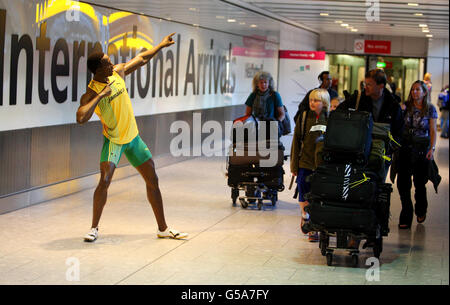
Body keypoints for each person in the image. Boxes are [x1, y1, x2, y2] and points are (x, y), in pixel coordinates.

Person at [76, 33, 188, 242]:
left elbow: (142, 59)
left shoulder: (117, 73)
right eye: (108, 64)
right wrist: (101, 95)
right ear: (98, 70)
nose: (113, 65)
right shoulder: (91, 93)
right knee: (105, 180)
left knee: (152, 179)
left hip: (133, 138)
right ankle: (93, 228)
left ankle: (163, 228)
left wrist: (161, 45)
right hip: (114, 141)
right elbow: (81, 117)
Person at [338, 69, 404, 181]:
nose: (365, 87)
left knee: (378, 186)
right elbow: (338, 114)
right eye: (365, 84)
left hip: (382, 156)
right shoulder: (357, 99)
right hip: (359, 153)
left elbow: (399, 132)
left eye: (369, 84)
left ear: (381, 86)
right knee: (358, 186)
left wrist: (388, 149)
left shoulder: (393, 105)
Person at [397, 80, 438, 229]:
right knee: (403, 183)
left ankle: (421, 209)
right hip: (405, 147)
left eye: (418, 90)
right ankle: (406, 215)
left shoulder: (430, 109)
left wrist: (431, 149)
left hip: (421, 148)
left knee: (420, 183)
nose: (415, 92)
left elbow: (433, 131)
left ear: (424, 92)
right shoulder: (405, 107)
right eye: (413, 89)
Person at [290, 89, 330, 242]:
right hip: (304, 162)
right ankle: (305, 216)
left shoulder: (330, 118)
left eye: (316, 100)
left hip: (322, 165)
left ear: (324, 102)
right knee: (302, 189)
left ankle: (315, 225)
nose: (312, 103)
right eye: (311, 100)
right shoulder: (304, 117)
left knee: (319, 194)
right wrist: (294, 166)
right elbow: (296, 142)